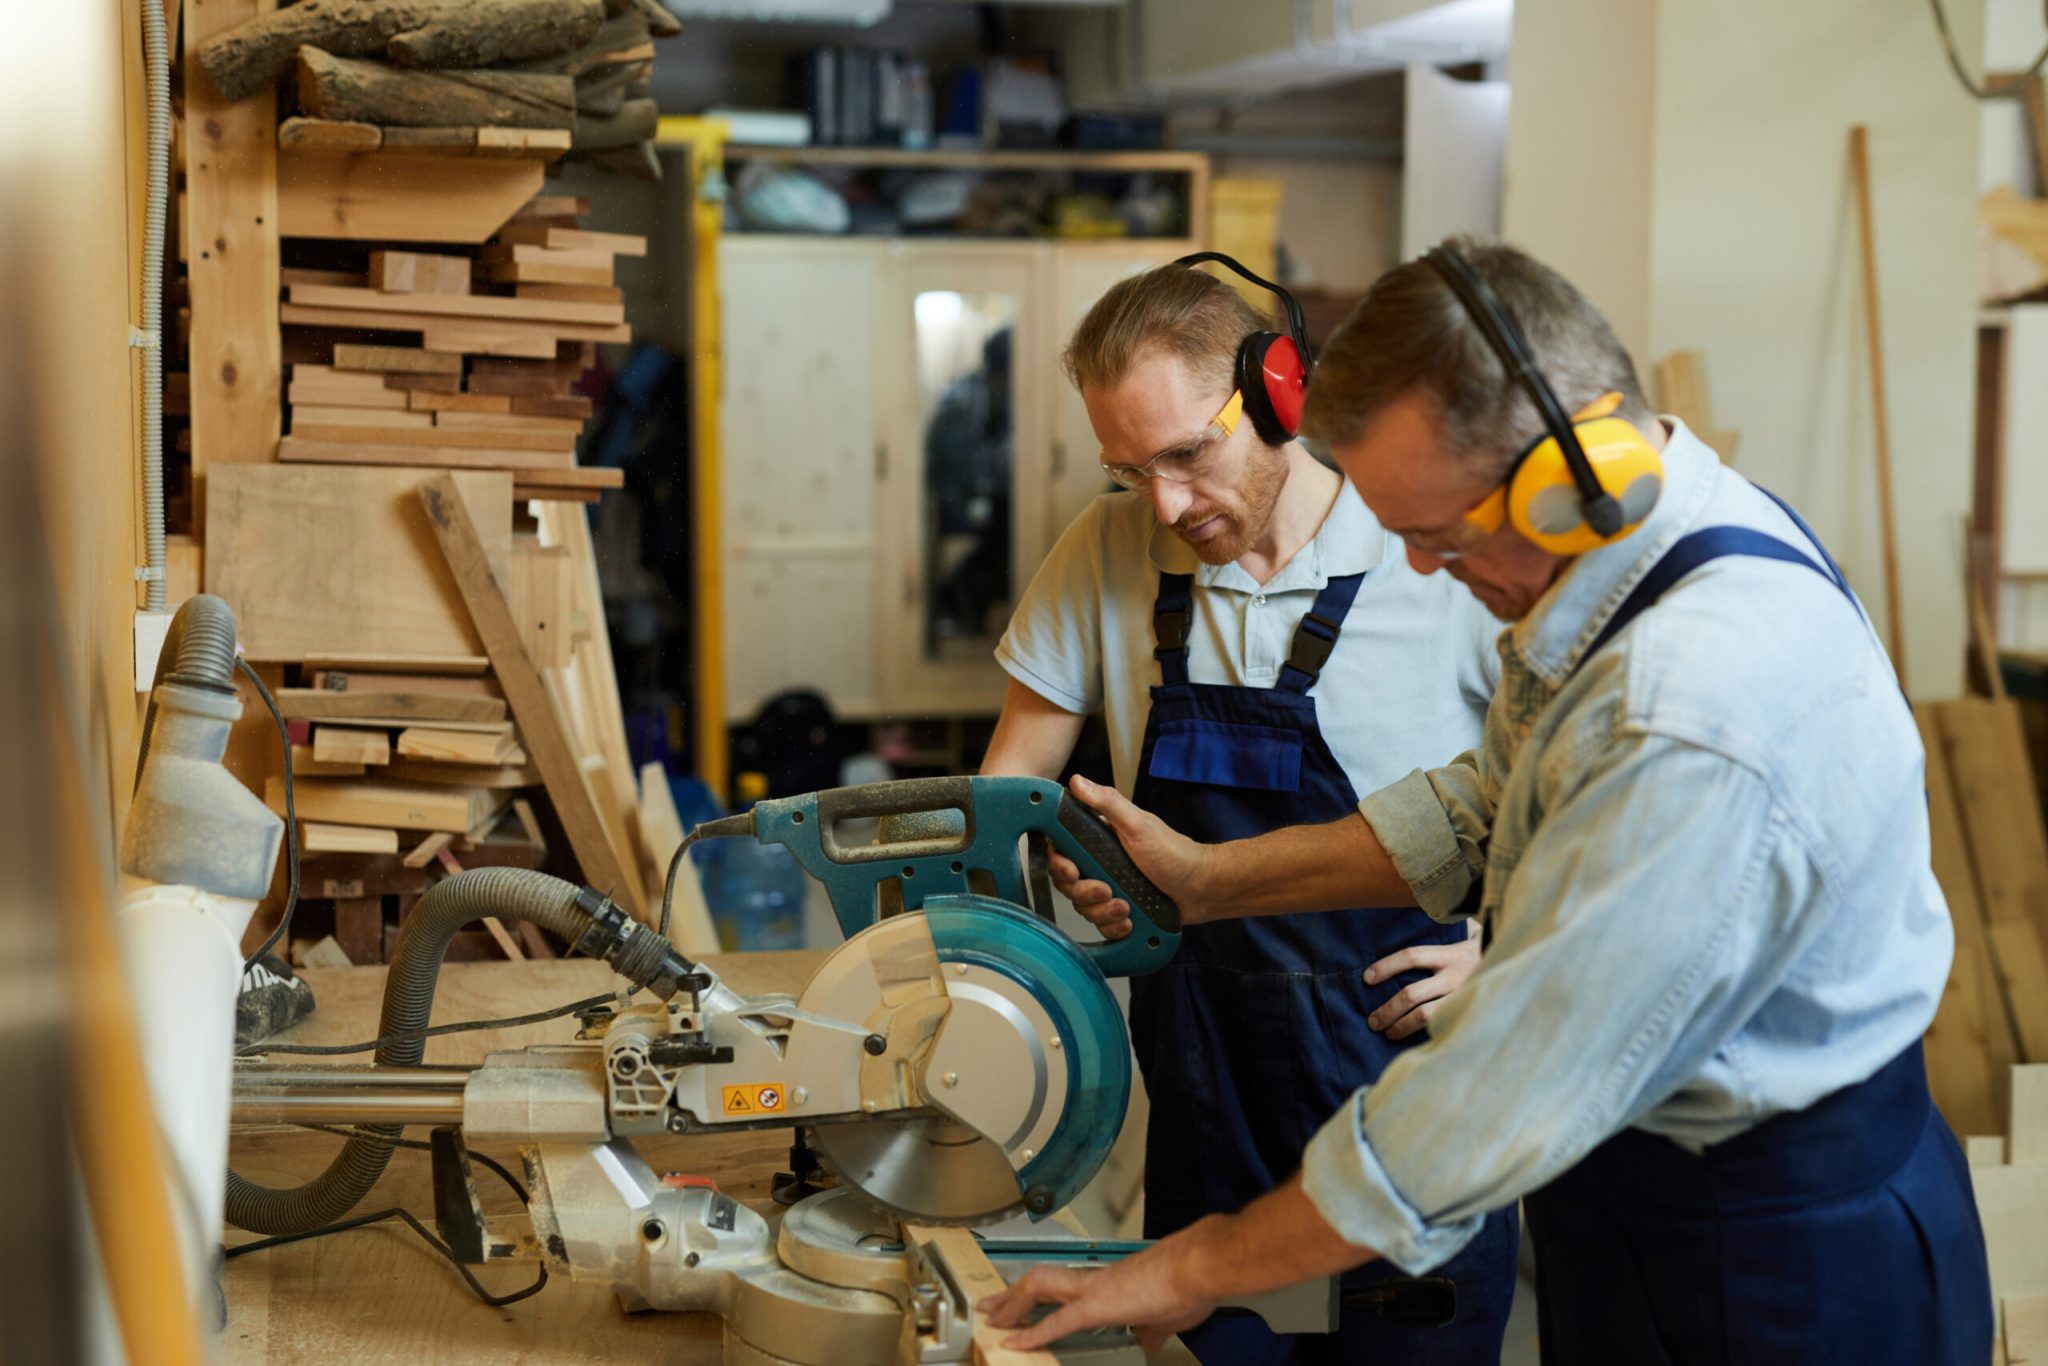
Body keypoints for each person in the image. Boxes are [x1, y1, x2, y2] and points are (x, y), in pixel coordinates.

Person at [981, 239, 1994, 1364]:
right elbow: (1479, 800)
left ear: (1576, 473)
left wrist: (1185, 1265)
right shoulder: (1631, 549)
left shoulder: (1687, 710)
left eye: (1438, 536)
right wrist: (1213, 880)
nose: (1417, 572)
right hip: (1632, 1185)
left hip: (1773, 1248)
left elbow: (1489, 1102)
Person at [980, 255, 1517, 1362]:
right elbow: (1001, 810)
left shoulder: (1431, 555)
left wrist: (1507, 951)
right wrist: (1069, 869)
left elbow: (1567, 800)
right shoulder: (1103, 551)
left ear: (1281, 393)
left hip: (1400, 1082)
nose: (1167, 506)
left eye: (1187, 454)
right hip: (1202, 1086)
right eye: (1131, 471)